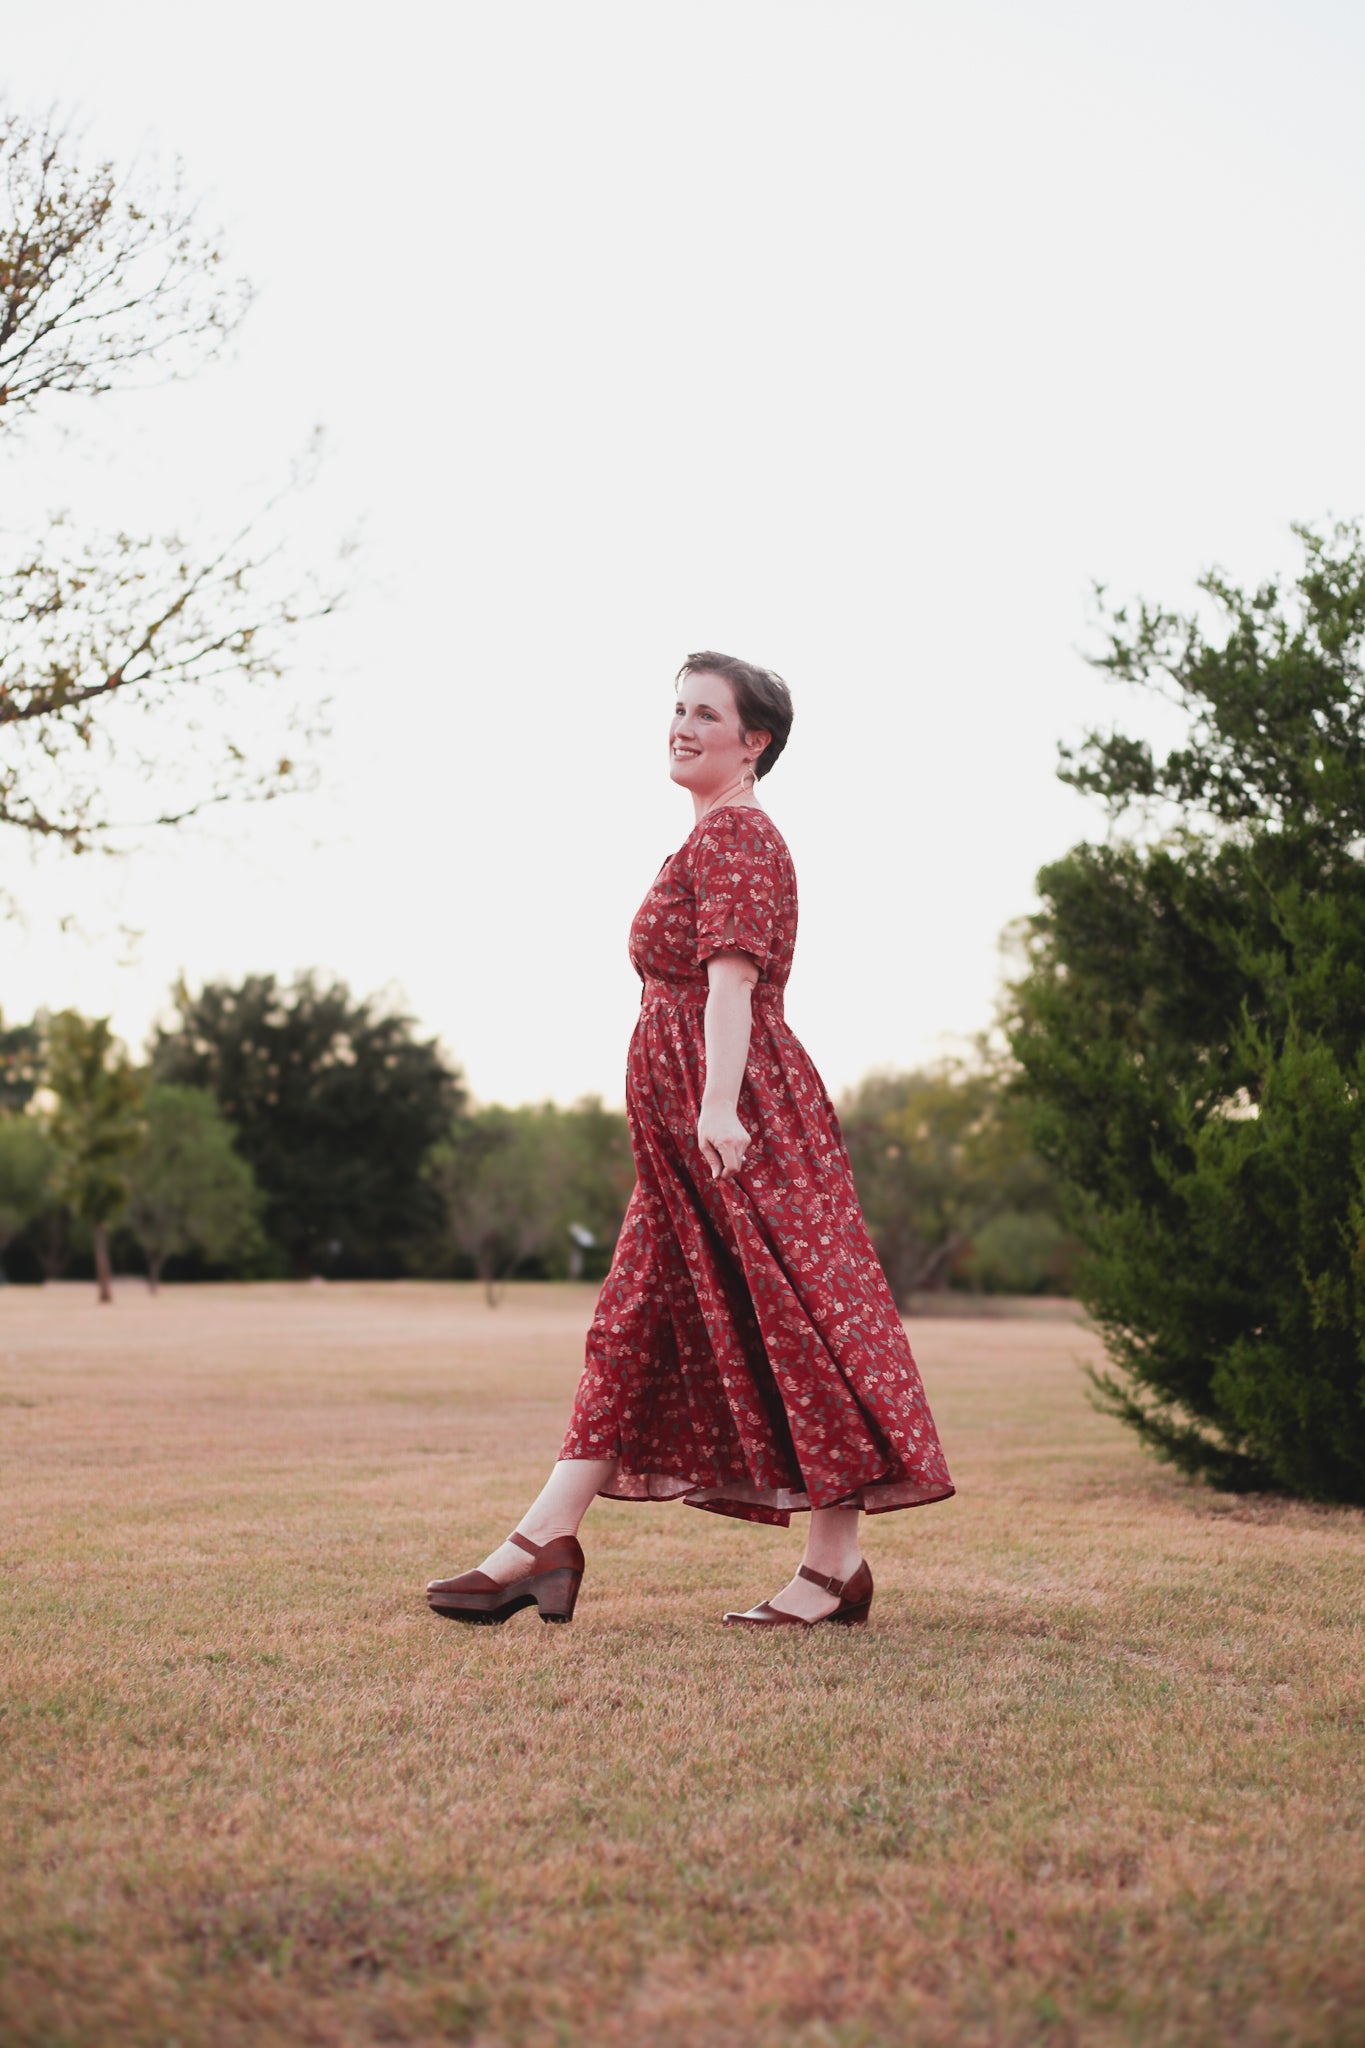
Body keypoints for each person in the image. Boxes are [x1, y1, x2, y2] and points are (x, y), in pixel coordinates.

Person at [427, 652, 954, 1631]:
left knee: (795, 1319)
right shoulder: (707, 835)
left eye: (706, 713)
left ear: (754, 741)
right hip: (685, 1133)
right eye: (676, 707)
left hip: (741, 1122)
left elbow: (732, 980)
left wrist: (717, 1108)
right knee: (633, 1321)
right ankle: (545, 1541)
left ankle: (830, 1564)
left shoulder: (741, 834)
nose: (681, 724)